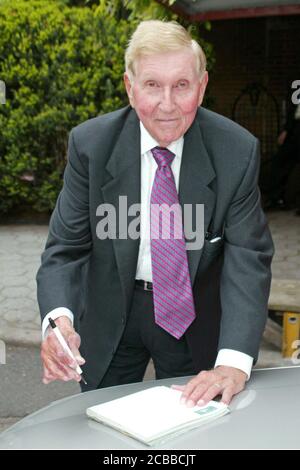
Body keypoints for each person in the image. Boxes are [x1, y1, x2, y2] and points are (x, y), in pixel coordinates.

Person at [37, 20, 274, 407]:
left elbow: (248, 258)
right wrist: (58, 321)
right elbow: (65, 248)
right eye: (152, 85)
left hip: (192, 314)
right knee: (100, 422)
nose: (167, 104)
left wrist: (233, 362)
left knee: (198, 429)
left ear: (202, 86)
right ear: (130, 89)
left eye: (181, 85)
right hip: (113, 307)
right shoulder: (91, 145)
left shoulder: (237, 150)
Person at [264, 99, 300, 214]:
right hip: (294, 133)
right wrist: (285, 131)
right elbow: (293, 113)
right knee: (279, 164)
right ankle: (276, 198)